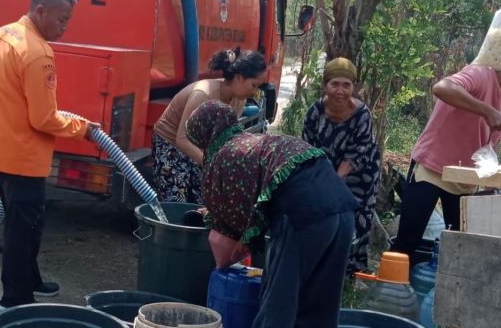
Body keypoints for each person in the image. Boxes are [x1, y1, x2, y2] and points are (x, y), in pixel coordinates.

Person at [0, 0, 100, 311]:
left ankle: (32, 279)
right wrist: (83, 128)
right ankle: (14, 299)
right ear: (40, 11)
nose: (65, 27)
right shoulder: (39, 53)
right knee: (23, 229)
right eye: (61, 19)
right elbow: (44, 119)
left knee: (23, 220)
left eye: (68, 20)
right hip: (21, 157)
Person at [187, 101, 357, 328]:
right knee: (320, 309)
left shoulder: (220, 159)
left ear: (203, 134)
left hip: (301, 215)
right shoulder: (253, 141)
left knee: (278, 307)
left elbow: (225, 246)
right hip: (342, 207)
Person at [391, 64, 501, 263]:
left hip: (466, 177)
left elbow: (495, 137)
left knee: (460, 249)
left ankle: (437, 292)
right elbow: (442, 88)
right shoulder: (481, 73)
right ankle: (389, 291)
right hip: (432, 167)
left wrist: (492, 178)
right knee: (407, 243)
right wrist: (487, 111)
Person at [152, 48, 267, 203]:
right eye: (254, 85)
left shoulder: (239, 100)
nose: (255, 92)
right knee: (176, 201)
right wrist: (211, 163)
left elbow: (225, 137)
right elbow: (182, 139)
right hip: (171, 142)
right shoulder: (203, 94)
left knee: (203, 201)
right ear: (239, 77)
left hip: (198, 147)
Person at [302, 57, 380, 274]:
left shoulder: (362, 114)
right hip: (325, 170)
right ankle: (324, 266)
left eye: (347, 85)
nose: (340, 91)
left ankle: (353, 273)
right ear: (325, 85)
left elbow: (356, 154)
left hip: (360, 171)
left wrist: (335, 182)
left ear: (354, 87)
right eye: (335, 84)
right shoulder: (315, 111)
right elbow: (306, 148)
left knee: (358, 215)